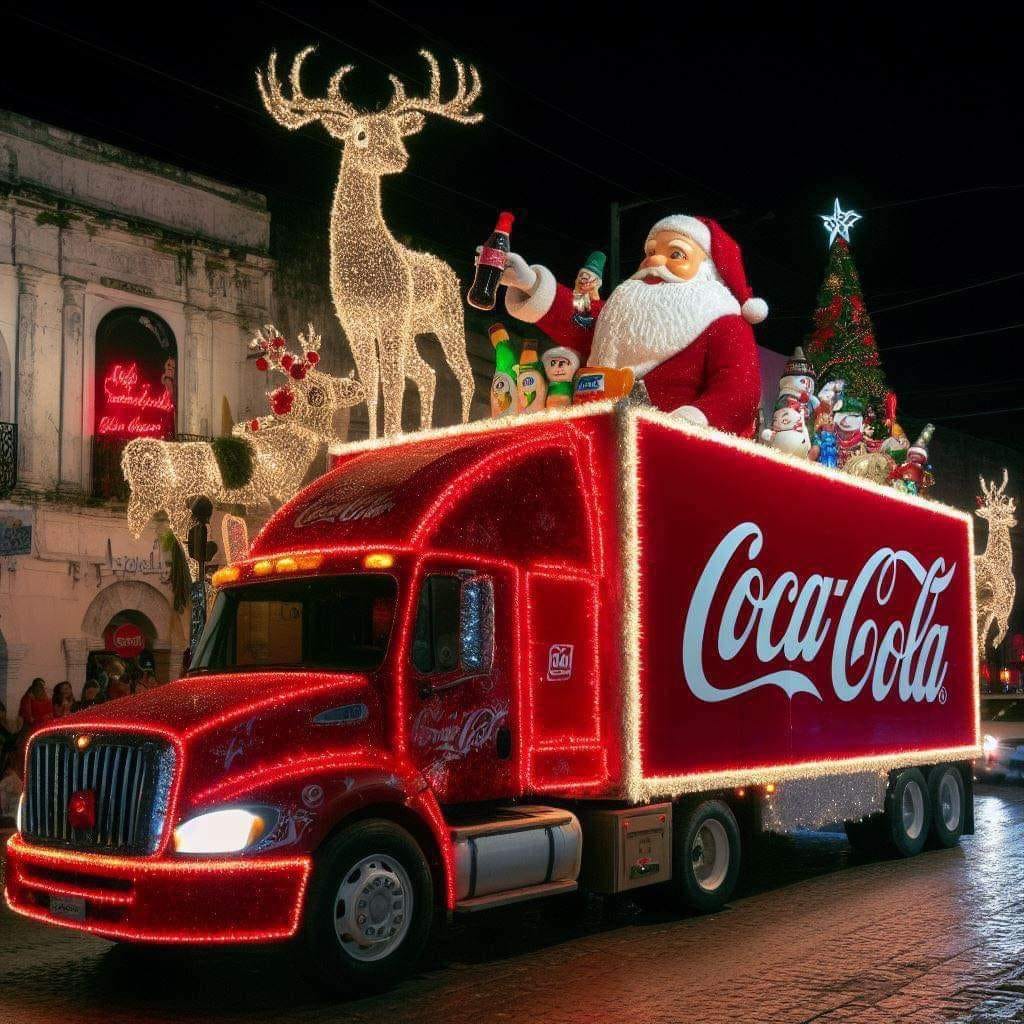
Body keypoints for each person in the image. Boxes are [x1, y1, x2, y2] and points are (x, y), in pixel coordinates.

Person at [497, 214, 765, 436]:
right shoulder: (620, 311)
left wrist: (692, 422)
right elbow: (581, 316)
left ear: (709, 271)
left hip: (665, 451)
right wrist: (530, 282)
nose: (655, 261)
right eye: (651, 251)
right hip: (592, 435)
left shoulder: (724, 320)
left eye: (676, 253)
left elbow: (739, 391)